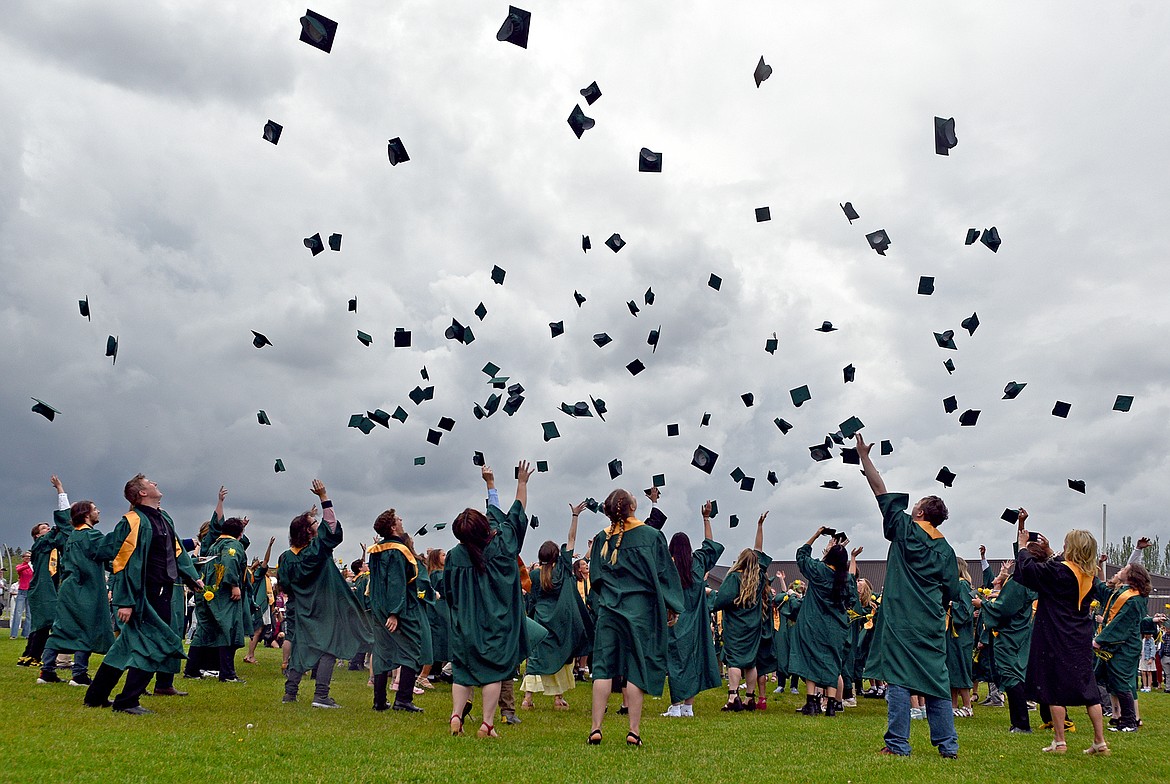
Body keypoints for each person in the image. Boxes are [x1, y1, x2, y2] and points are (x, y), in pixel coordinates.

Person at [854, 434, 960, 759]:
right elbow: (953, 592)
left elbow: (879, 490)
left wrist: (865, 458)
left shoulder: (905, 529)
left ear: (921, 513)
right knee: (936, 681)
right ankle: (948, 747)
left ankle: (898, 744)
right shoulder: (946, 550)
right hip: (929, 624)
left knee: (898, 679)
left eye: (915, 506)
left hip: (901, 620)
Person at [84, 474, 205, 714]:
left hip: (163, 591)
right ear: (141, 493)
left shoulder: (164, 518)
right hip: (143, 594)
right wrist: (126, 601)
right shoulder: (132, 521)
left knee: (125, 646)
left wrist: (193, 577)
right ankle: (127, 700)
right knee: (155, 645)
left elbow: (177, 550)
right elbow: (125, 563)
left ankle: (95, 696)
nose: (156, 484)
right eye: (150, 483)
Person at [586, 487, 683, 747]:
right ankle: (634, 731)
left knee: (602, 669)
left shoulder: (600, 539)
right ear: (631, 507)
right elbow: (664, 574)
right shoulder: (651, 536)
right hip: (640, 611)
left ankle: (596, 729)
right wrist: (671, 605)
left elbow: (594, 577)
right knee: (637, 668)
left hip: (609, 609)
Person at [444, 461, 533, 738]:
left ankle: (456, 716)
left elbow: (448, 591)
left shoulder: (455, 556)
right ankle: (486, 724)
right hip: (496, 623)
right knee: (493, 672)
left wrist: (490, 485)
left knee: (462, 671)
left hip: (465, 623)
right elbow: (516, 513)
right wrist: (518, 482)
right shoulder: (503, 544)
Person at [1012, 517, 1110, 754]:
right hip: (1080, 635)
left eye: (1066, 545)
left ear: (1072, 548)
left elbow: (1030, 572)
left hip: (1055, 633)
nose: (1062, 548)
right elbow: (1056, 571)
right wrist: (1048, 552)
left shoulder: (1060, 570)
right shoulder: (1089, 575)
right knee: (1089, 689)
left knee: (1053, 685)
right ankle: (1100, 741)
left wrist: (1023, 547)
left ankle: (1060, 741)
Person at [277, 479, 372, 708]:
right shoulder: (316, 551)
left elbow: (286, 586)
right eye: (313, 523)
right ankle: (321, 696)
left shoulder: (286, 557)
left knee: (301, 646)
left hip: (301, 607)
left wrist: (307, 518)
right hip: (324, 607)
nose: (317, 524)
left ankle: (290, 693)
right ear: (309, 532)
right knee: (330, 647)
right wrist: (324, 497)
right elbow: (330, 529)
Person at [41, 476, 114, 686]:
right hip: (86, 589)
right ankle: (79, 674)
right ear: (86, 514)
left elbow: (65, 514)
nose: (98, 511)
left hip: (68, 588)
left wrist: (61, 489)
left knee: (61, 629)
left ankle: (46, 671)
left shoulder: (72, 535)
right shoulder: (91, 537)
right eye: (95, 508)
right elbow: (109, 551)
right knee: (86, 629)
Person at [522, 501, 590, 711]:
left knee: (537, 658)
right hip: (560, 621)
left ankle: (527, 698)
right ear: (555, 556)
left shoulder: (534, 575)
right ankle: (558, 698)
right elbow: (571, 539)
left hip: (541, 621)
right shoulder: (561, 570)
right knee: (561, 657)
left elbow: (531, 601)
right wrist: (575, 516)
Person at [662, 501, 724, 717]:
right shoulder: (696, 563)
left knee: (677, 662)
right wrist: (706, 518)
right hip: (697, 622)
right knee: (693, 661)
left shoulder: (668, 567)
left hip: (675, 620)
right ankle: (688, 706)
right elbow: (709, 545)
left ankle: (677, 707)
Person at [367, 508, 431, 712]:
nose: (402, 520)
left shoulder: (377, 550)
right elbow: (395, 583)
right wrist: (395, 612)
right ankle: (403, 699)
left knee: (382, 651)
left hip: (378, 607)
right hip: (399, 610)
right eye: (398, 519)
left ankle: (379, 701)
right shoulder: (397, 550)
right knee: (411, 650)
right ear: (393, 527)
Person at [788, 527, 851, 717]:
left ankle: (811, 702)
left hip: (813, 623)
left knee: (810, 659)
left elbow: (801, 555)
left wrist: (816, 535)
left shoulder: (818, 570)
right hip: (836, 627)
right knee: (832, 662)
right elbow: (852, 601)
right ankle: (831, 705)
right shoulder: (846, 580)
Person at [711, 512, 770, 713]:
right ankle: (749, 698)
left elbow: (720, 601)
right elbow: (759, 551)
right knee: (750, 661)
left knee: (735, 660)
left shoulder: (735, 578)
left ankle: (732, 697)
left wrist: (711, 595)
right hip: (753, 626)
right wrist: (760, 526)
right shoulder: (759, 578)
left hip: (736, 626)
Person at [974, 552, 1037, 734]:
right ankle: (1018, 723)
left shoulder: (1019, 583)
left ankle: (1021, 724)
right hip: (1016, 635)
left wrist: (982, 604)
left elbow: (1003, 608)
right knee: (1012, 677)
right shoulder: (1028, 581)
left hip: (1010, 637)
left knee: (1011, 677)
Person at [1094, 559, 1150, 733]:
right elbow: (1103, 591)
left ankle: (1129, 722)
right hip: (1119, 645)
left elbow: (1120, 623)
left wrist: (1100, 640)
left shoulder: (1133, 599)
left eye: (1125, 568)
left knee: (1122, 682)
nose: (1121, 569)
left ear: (1132, 576)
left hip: (1125, 646)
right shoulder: (1124, 593)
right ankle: (1121, 720)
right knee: (1114, 681)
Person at [194, 516, 250, 683]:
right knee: (228, 630)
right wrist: (234, 584)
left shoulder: (214, 544)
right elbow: (230, 561)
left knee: (208, 630)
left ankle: (194, 669)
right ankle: (227, 673)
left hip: (210, 593)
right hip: (225, 594)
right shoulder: (233, 545)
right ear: (240, 533)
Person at [947, 557, 975, 717]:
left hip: (960, 634)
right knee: (952, 668)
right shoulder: (955, 584)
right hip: (952, 634)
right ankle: (953, 705)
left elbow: (966, 610)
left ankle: (967, 705)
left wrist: (951, 605)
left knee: (960, 667)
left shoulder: (963, 584)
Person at [243, 537, 277, 664]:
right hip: (260, 604)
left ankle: (250, 654)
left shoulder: (252, 575)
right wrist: (270, 546)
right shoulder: (257, 575)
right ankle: (250, 655)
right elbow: (266, 560)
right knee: (257, 630)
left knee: (260, 629)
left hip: (260, 603)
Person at [11, 551, 33, 643]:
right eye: (26, 556)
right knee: (18, 613)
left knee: (29, 614)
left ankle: (27, 633)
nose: (28, 558)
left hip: (30, 591)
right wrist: (29, 564)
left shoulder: (33, 567)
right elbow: (19, 570)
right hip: (21, 591)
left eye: (29, 557)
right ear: (23, 557)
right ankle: (14, 634)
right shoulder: (21, 566)